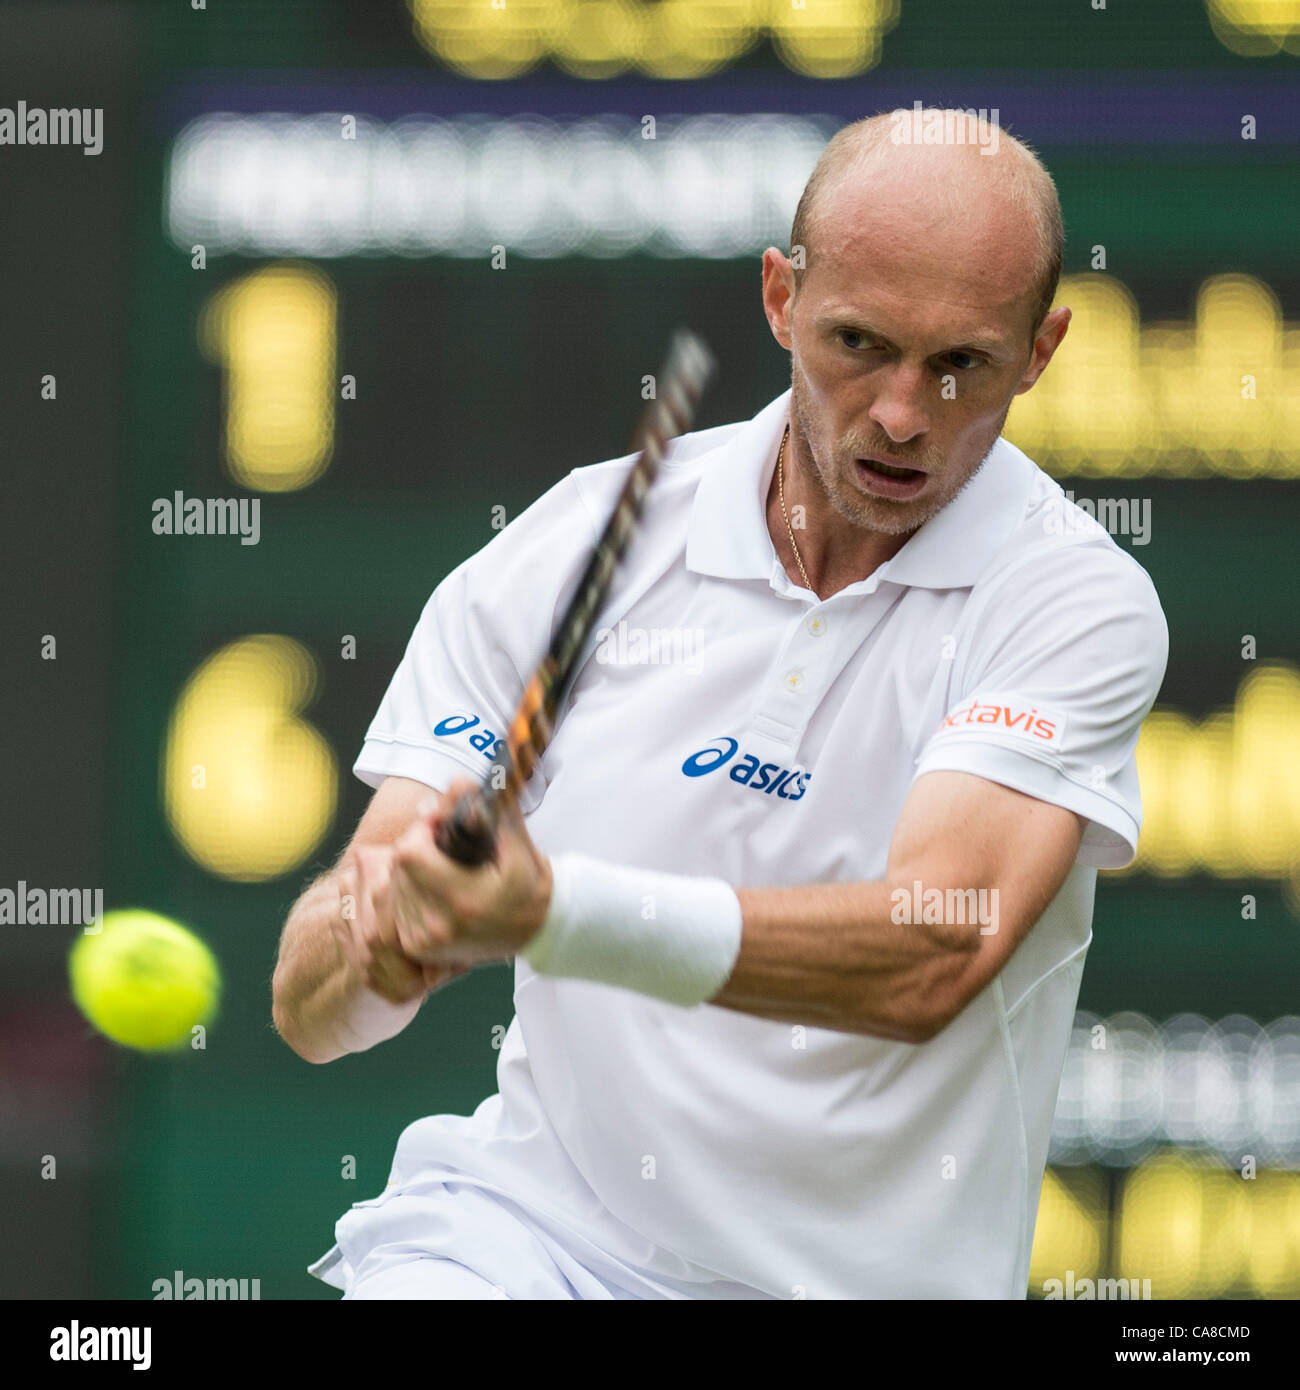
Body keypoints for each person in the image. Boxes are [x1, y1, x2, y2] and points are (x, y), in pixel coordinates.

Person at [272, 108, 1168, 1299]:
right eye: (859, 342)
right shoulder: (565, 548)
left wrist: (548, 912)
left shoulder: (1074, 600)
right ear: (779, 299)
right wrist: (378, 937)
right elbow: (316, 1007)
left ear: (1043, 349)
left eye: (961, 364)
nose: (902, 412)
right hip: (528, 1243)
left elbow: (932, 948)